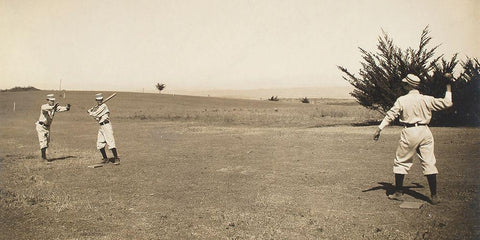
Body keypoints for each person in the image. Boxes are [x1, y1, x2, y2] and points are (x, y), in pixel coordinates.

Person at [373, 73, 453, 205]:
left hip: (410, 131)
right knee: (429, 162)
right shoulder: (426, 99)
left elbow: (390, 115)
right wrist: (448, 85)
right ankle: (434, 196)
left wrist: (379, 128)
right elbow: (447, 103)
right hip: (425, 131)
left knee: (401, 161)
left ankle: (398, 193)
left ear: (408, 85)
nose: (403, 85)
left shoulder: (402, 100)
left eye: (405, 84)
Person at [35, 94, 71, 161]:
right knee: (43, 142)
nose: (52, 102)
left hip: (47, 127)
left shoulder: (54, 107)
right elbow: (46, 109)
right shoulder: (44, 106)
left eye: (53, 101)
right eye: (51, 101)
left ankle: (43, 155)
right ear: (47, 100)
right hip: (41, 126)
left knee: (47, 142)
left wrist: (67, 107)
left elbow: (60, 108)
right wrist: (53, 107)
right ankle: (43, 158)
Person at [87, 93, 120, 164]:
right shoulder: (99, 108)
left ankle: (116, 158)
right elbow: (96, 117)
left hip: (107, 126)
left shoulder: (104, 106)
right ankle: (105, 158)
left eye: (100, 100)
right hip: (101, 126)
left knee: (110, 142)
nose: (99, 101)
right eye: (98, 100)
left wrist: (90, 112)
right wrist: (92, 112)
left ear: (102, 99)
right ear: (96, 100)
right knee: (99, 143)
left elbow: (96, 114)